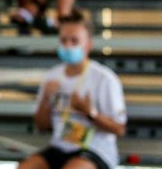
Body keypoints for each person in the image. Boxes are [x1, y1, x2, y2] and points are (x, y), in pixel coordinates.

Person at [20, 11, 126, 169]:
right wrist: (45, 100)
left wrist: (90, 113)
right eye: (63, 40)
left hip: (95, 150)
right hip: (60, 147)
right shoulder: (52, 77)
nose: (68, 45)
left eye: (74, 41)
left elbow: (119, 129)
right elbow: (41, 126)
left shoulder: (104, 78)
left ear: (88, 44)